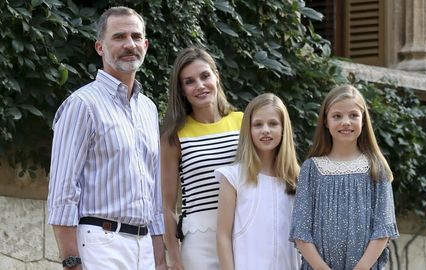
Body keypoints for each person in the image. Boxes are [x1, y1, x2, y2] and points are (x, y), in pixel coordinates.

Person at [47, 6, 167, 270]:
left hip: (144, 246)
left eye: (136, 37)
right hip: (100, 244)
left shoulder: (148, 109)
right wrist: (71, 261)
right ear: (100, 47)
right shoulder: (82, 104)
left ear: (145, 45)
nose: (129, 44)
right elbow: (63, 190)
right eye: (119, 37)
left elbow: (155, 193)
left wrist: (159, 257)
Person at [290, 85, 399, 270]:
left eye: (353, 115)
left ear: (364, 120)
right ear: (325, 121)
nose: (346, 122)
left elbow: (383, 230)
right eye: (337, 116)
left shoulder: (376, 168)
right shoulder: (311, 169)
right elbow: (300, 231)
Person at [161, 46, 243, 270]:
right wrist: (175, 258)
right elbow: (167, 206)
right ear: (182, 90)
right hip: (199, 244)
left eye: (205, 76)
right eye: (189, 81)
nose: (199, 86)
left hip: (244, 235)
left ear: (216, 76)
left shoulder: (243, 122)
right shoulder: (174, 136)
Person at [216, 93, 301, 270]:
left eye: (273, 123)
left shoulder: (297, 179)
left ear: (284, 128)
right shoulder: (233, 177)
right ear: (248, 129)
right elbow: (223, 236)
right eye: (258, 124)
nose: (265, 130)